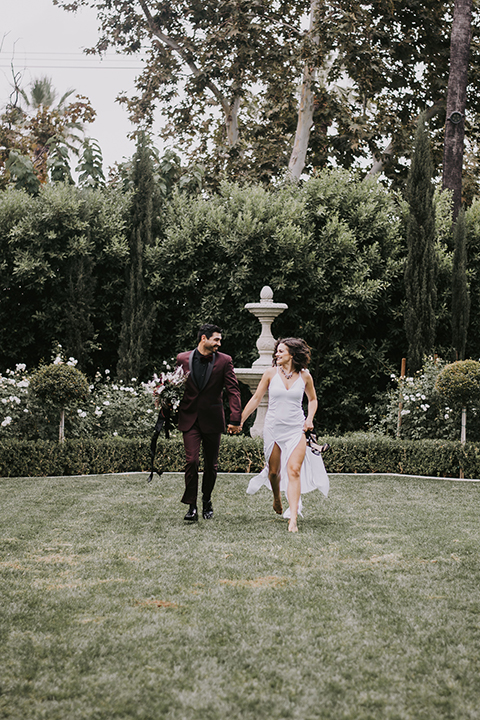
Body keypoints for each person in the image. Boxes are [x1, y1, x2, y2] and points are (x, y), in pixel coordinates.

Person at [239, 337, 329, 533]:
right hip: (273, 428)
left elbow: (312, 400)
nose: (277, 354)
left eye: (281, 351)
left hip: (296, 428)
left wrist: (310, 419)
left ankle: (293, 519)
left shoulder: (305, 376)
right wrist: (241, 419)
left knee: (294, 470)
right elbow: (256, 398)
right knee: (273, 472)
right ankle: (276, 497)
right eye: (276, 351)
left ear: (292, 354)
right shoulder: (270, 373)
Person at [176, 323, 242, 522]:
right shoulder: (182, 358)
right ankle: (192, 506)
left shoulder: (224, 361)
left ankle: (207, 500)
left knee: (211, 465)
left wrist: (235, 418)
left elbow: (233, 390)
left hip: (213, 419)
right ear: (203, 338)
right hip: (189, 419)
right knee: (192, 461)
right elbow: (175, 386)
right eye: (216, 339)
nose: (219, 344)